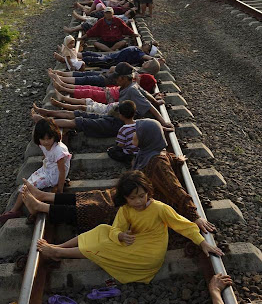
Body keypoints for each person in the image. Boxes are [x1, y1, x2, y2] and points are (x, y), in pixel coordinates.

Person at [22, 120, 215, 234]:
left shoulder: (157, 162)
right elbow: (164, 162)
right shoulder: (151, 153)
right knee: (93, 195)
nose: (132, 136)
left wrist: (194, 216)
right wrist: (176, 159)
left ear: (146, 137)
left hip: (138, 205)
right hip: (129, 194)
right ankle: (46, 196)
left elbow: (175, 189)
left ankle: (42, 207)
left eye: (136, 133)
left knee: (93, 207)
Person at [36, 171, 223, 284]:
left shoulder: (159, 208)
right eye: (132, 198)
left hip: (149, 254)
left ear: (148, 192)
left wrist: (201, 243)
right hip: (136, 243)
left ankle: (58, 253)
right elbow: (116, 228)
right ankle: (59, 248)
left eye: (142, 196)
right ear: (125, 198)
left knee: (104, 246)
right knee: (103, 229)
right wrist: (120, 236)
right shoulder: (126, 210)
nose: (138, 201)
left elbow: (184, 226)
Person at [31, 63, 173, 138]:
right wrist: (156, 99)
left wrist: (162, 122)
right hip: (113, 113)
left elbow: (147, 106)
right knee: (78, 114)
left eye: (117, 78)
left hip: (117, 122)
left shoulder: (131, 89)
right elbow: (146, 96)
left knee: (80, 120)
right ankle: (45, 113)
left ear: (123, 78)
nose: (115, 80)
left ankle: (44, 121)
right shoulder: (132, 85)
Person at [0, 118, 71, 224]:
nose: (46, 142)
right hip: (48, 169)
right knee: (28, 184)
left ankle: (14, 211)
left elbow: (62, 171)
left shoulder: (58, 151)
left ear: (54, 135)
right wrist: (45, 158)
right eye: (43, 139)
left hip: (53, 175)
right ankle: (19, 208)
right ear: (38, 138)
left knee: (26, 187)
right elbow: (46, 152)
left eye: (49, 138)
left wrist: (60, 190)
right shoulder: (44, 144)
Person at [54, 43, 160, 68]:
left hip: (111, 61)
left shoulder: (141, 54)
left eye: (149, 46)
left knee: (89, 59)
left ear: (148, 51)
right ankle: (67, 52)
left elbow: (148, 58)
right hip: (110, 56)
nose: (146, 44)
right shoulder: (138, 48)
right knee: (88, 53)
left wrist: (157, 59)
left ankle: (65, 60)